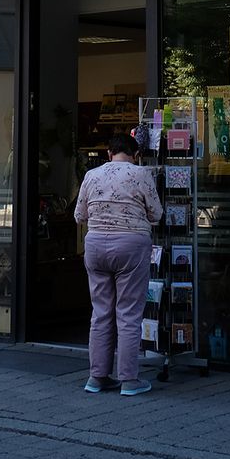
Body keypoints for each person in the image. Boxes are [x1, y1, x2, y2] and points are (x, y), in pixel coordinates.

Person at [73, 133, 162, 396]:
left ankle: (97, 377)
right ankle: (129, 380)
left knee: (100, 312)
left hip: (96, 246)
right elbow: (157, 214)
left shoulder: (91, 175)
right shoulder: (141, 174)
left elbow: (79, 215)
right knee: (129, 313)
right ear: (136, 155)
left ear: (109, 153)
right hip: (131, 246)